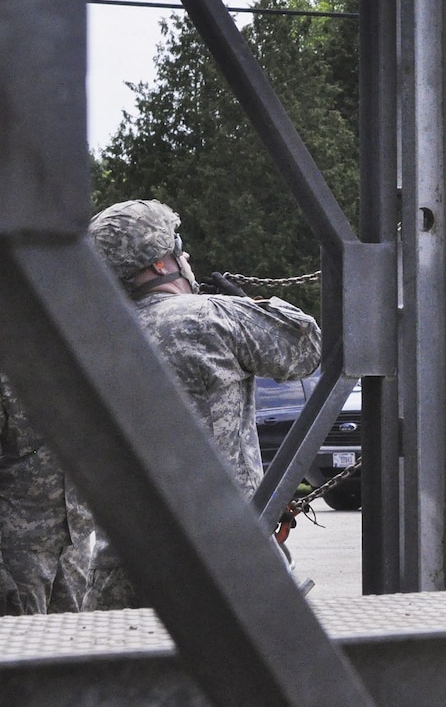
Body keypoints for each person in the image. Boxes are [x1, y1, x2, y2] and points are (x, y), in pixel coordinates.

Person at [84, 199, 321, 609]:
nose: (186, 254)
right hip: (223, 553)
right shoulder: (211, 316)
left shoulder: (95, 337)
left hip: (122, 555)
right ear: (160, 264)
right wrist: (250, 305)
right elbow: (305, 346)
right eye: (178, 245)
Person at [0, 376, 93, 614]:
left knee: (74, 643)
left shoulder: (81, 370)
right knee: (22, 644)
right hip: (20, 551)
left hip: (76, 544)